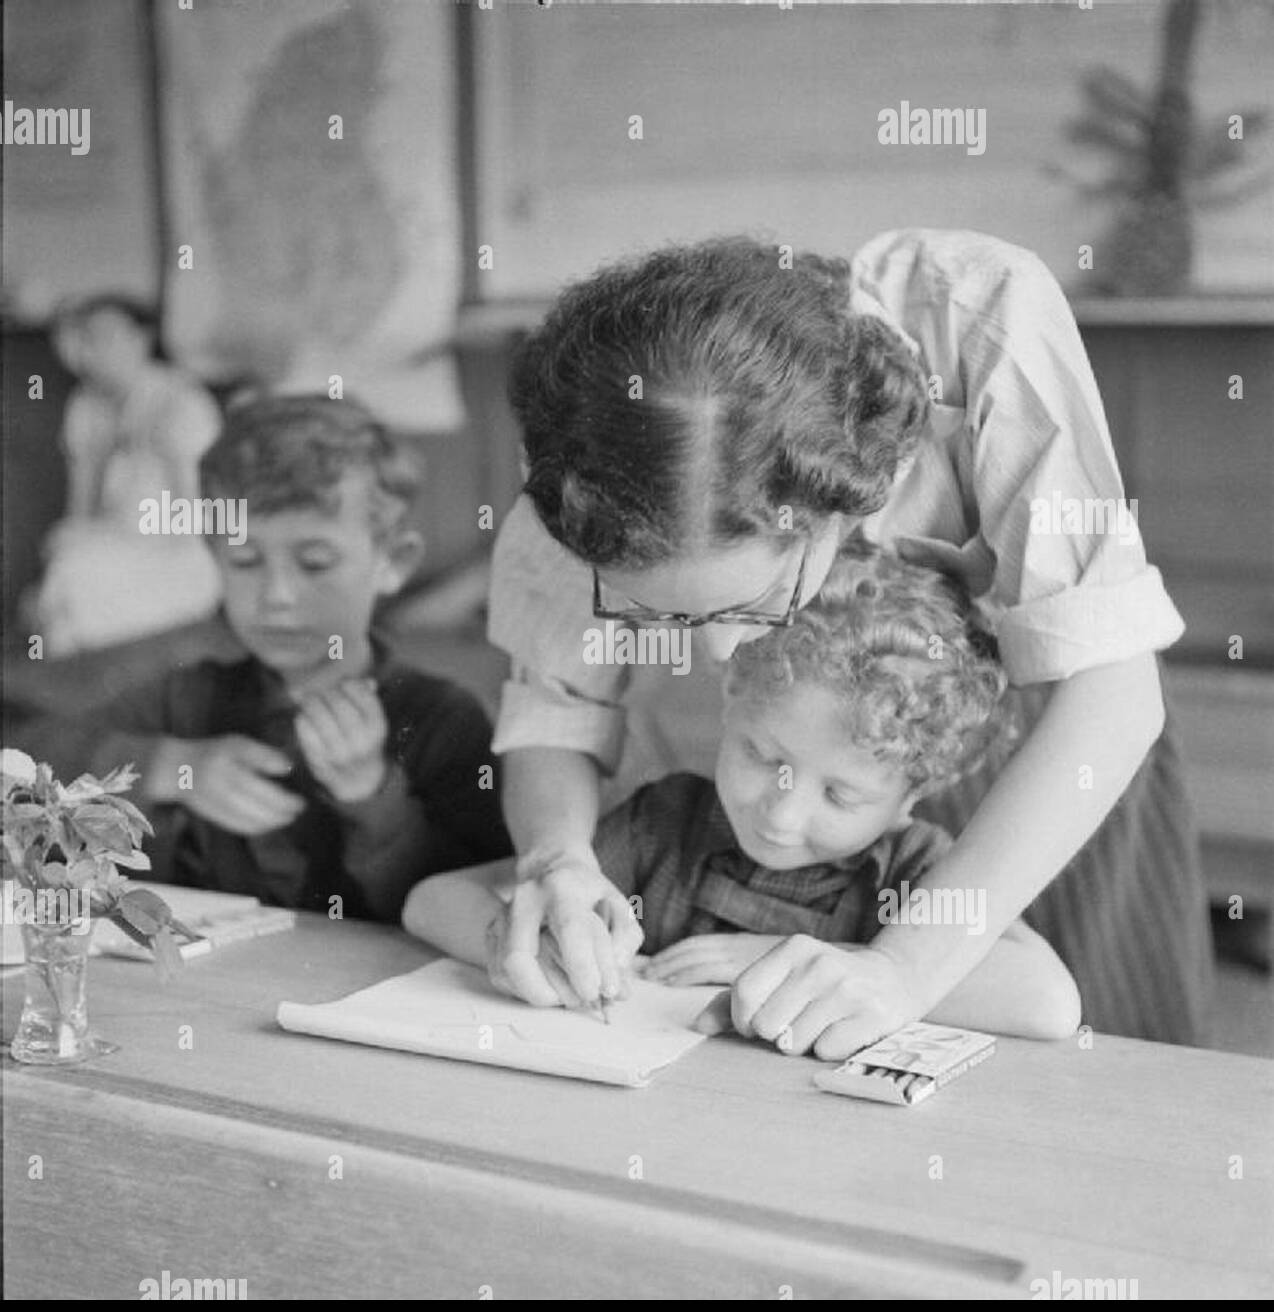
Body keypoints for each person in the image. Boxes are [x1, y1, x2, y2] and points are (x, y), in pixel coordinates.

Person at [482, 229, 1213, 1047]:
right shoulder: (588, 454)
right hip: (793, 743)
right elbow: (554, 707)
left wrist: (904, 968)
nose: (723, 657)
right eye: (655, 616)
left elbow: (1111, 697)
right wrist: (559, 862)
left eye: (755, 601)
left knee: (1100, 1065)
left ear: (841, 497)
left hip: (1051, 756)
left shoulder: (977, 314)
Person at [405, 537, 1082, 1051]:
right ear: (731, 698)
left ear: (915, 792)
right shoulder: (664, 827)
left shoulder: (910, 873)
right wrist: (532, 947)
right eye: (762, 755)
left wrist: (784, 957)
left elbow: (1047, 1002)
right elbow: (431, 903)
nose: (781, 814)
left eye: (841, 796)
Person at [15, 395, 512, 922]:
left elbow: (472, 905)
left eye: (314, 562)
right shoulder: (187, 700)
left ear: (392, 562)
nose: (276, 594)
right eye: (245, 560)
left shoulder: (443, 718)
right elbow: (22, 763)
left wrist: (375, 795)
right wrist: (173, 766)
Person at [30, 295, 225, 653]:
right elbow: (81, 509)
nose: (92, 352)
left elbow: (196, 518)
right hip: (112, 544)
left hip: (175, 551)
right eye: (85, 339)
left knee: (75, 583)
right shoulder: (86, 406)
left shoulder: (182, 401)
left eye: (106, 337)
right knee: (68, 559)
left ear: (141, 339)